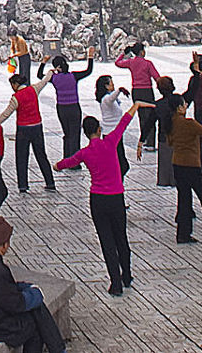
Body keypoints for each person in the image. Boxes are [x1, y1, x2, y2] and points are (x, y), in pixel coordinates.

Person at [0, 214, 68, 353]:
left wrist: (26, 288)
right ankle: (58, 349)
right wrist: (35, 295)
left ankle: (58, 349)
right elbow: (15, 304)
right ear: (5, 244)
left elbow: (2, 290)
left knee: (35, 309)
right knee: (33, 326)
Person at [54, 115, 133, 294]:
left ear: (86, 133)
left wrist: (57, 166)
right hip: (116, 197)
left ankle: (115, 282)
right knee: (121, 236)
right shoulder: (110, 142)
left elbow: (68, 162)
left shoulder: (85, 152)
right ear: (99, 130)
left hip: (98, 199)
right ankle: (126, 275)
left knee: (107, 241)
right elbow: (123, 123)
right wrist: (136, 106)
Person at [168, 98, 202, 245]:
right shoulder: (189, 123)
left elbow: (170, 142)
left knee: (184, 199)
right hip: (191, 165)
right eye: (184, 104)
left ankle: (183, 234)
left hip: (177, 164)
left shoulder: (169, 124)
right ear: (179, 108)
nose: (186, 106)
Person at [0, 73, 54, 193]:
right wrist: (51, 71)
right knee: (41, 155)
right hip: (37, 126)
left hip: (23, 129)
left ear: (15, 84)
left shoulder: (16, 97)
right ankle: (50, 182)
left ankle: (23, 185)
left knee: (22, 157)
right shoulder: (34, 89)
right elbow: (44, 81)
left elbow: (6, 113)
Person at [118, 44, 161, 154]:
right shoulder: (147, 63)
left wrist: (124, 54)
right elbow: (157, 77)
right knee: (151, 115)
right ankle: (151, 143)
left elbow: (118, 63)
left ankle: (145, 139)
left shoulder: (131, 62)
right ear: (142, 52)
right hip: (147, 91)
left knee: (141, 116)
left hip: (136, 91)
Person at [146, 75, 183, 189]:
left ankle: (168, 180)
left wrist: (142, 140)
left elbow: (149, 123)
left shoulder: (158, 105)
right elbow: (192, 90)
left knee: (166, 164)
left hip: (164, 138)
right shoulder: (179, 100)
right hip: (179, 137)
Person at [48, 57, 83, 161]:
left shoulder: (54, 78)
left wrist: (44, 63)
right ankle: (75, 161)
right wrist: (90, 57)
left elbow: (39, 75)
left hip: (61, 107)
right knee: (75, 134)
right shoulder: (73, 76)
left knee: (67, 133)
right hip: (74, 107)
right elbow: (88, 71)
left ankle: (66, 158)